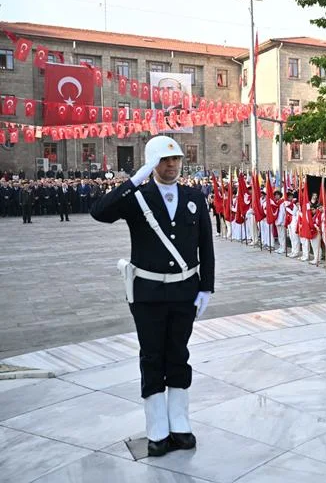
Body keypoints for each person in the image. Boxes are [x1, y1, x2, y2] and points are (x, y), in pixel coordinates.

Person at [91, 136, 214, 458]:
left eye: (175, 160)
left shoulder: (193, 196)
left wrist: (206, 287)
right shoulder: (138, 196)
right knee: (151, 357)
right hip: (147, 293)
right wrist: (135, 178)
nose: (171, 166)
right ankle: (157, 428)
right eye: (163, 160)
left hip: (185, 289)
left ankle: (180, 424)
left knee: (178, 354)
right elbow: (100, 212)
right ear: (151, 163)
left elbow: (205, 244)